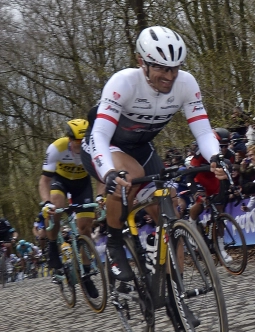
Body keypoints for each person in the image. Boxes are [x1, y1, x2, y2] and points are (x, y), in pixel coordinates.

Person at [81, 26, 227, 283]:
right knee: (131, 175)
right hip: (103, 145)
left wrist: (215, 156)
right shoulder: (123, 82)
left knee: (170, 210)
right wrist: (108, 173)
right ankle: (115, 246)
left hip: (140, 149)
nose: (169, 76)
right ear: (142, 63)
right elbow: (101, 136)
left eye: (174, 68)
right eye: (161, 68)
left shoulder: (186, 84)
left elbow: (203, 131)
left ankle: (176, 294)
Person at [39, 118, 100, 295]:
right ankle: (52, 247)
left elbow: (101, 177)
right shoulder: (56, 148)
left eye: (84, 141)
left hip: (82, 184)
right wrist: (46, 202)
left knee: (85, 228)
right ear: (69, 139)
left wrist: (100, 197)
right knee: (55, 207)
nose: (80, 145)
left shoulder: (93, 147)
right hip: (60, 181)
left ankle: (87, 275)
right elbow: (44, 181)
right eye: (76, 141)